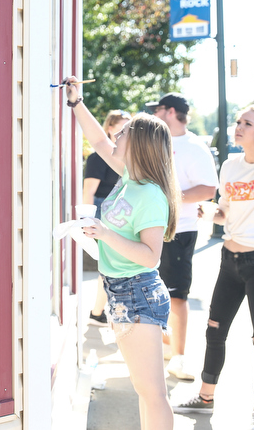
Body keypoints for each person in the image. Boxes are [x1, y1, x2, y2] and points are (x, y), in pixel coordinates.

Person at [64, 76, 181, 430]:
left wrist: (105, 233)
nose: (117, 135)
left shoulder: (151, 195)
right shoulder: (130, 176)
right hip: (121, 290)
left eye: (125, 131)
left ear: (140, 143)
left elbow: (151, 256)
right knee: (143, 390)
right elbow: (98, 139)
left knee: (152, 392)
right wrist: (76, 103)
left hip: (138, 292)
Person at [173, 105, 254, 430]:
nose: (238, 127)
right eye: (238, 122)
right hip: (230, 261)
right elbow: (225, 212)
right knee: (214, 330)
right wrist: (208, 212)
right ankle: (205, 396)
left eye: (247, 123)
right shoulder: (230, 165)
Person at [146, 93, 219, 381]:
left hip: (179, 230)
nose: (154, 114)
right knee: (150, 291)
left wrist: (170, 199)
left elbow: (208, 189)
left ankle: (179, 357)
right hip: (148, 227)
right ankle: (164, 346)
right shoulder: (153, 140)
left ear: (172, 112)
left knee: (176, 295)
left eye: (159, 109)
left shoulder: (194, 147)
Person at [85, 110, 130, 326]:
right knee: (108, 265)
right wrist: (87, 220)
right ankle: (98, 312)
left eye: (128, 127)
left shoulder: (128, 158)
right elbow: (88, 192)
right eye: (121, 127)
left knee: (110, 265)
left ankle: (97, 312)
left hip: (122, 213)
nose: (125, 132)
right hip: (104, 211)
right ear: (110, 129)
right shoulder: (97, 158)